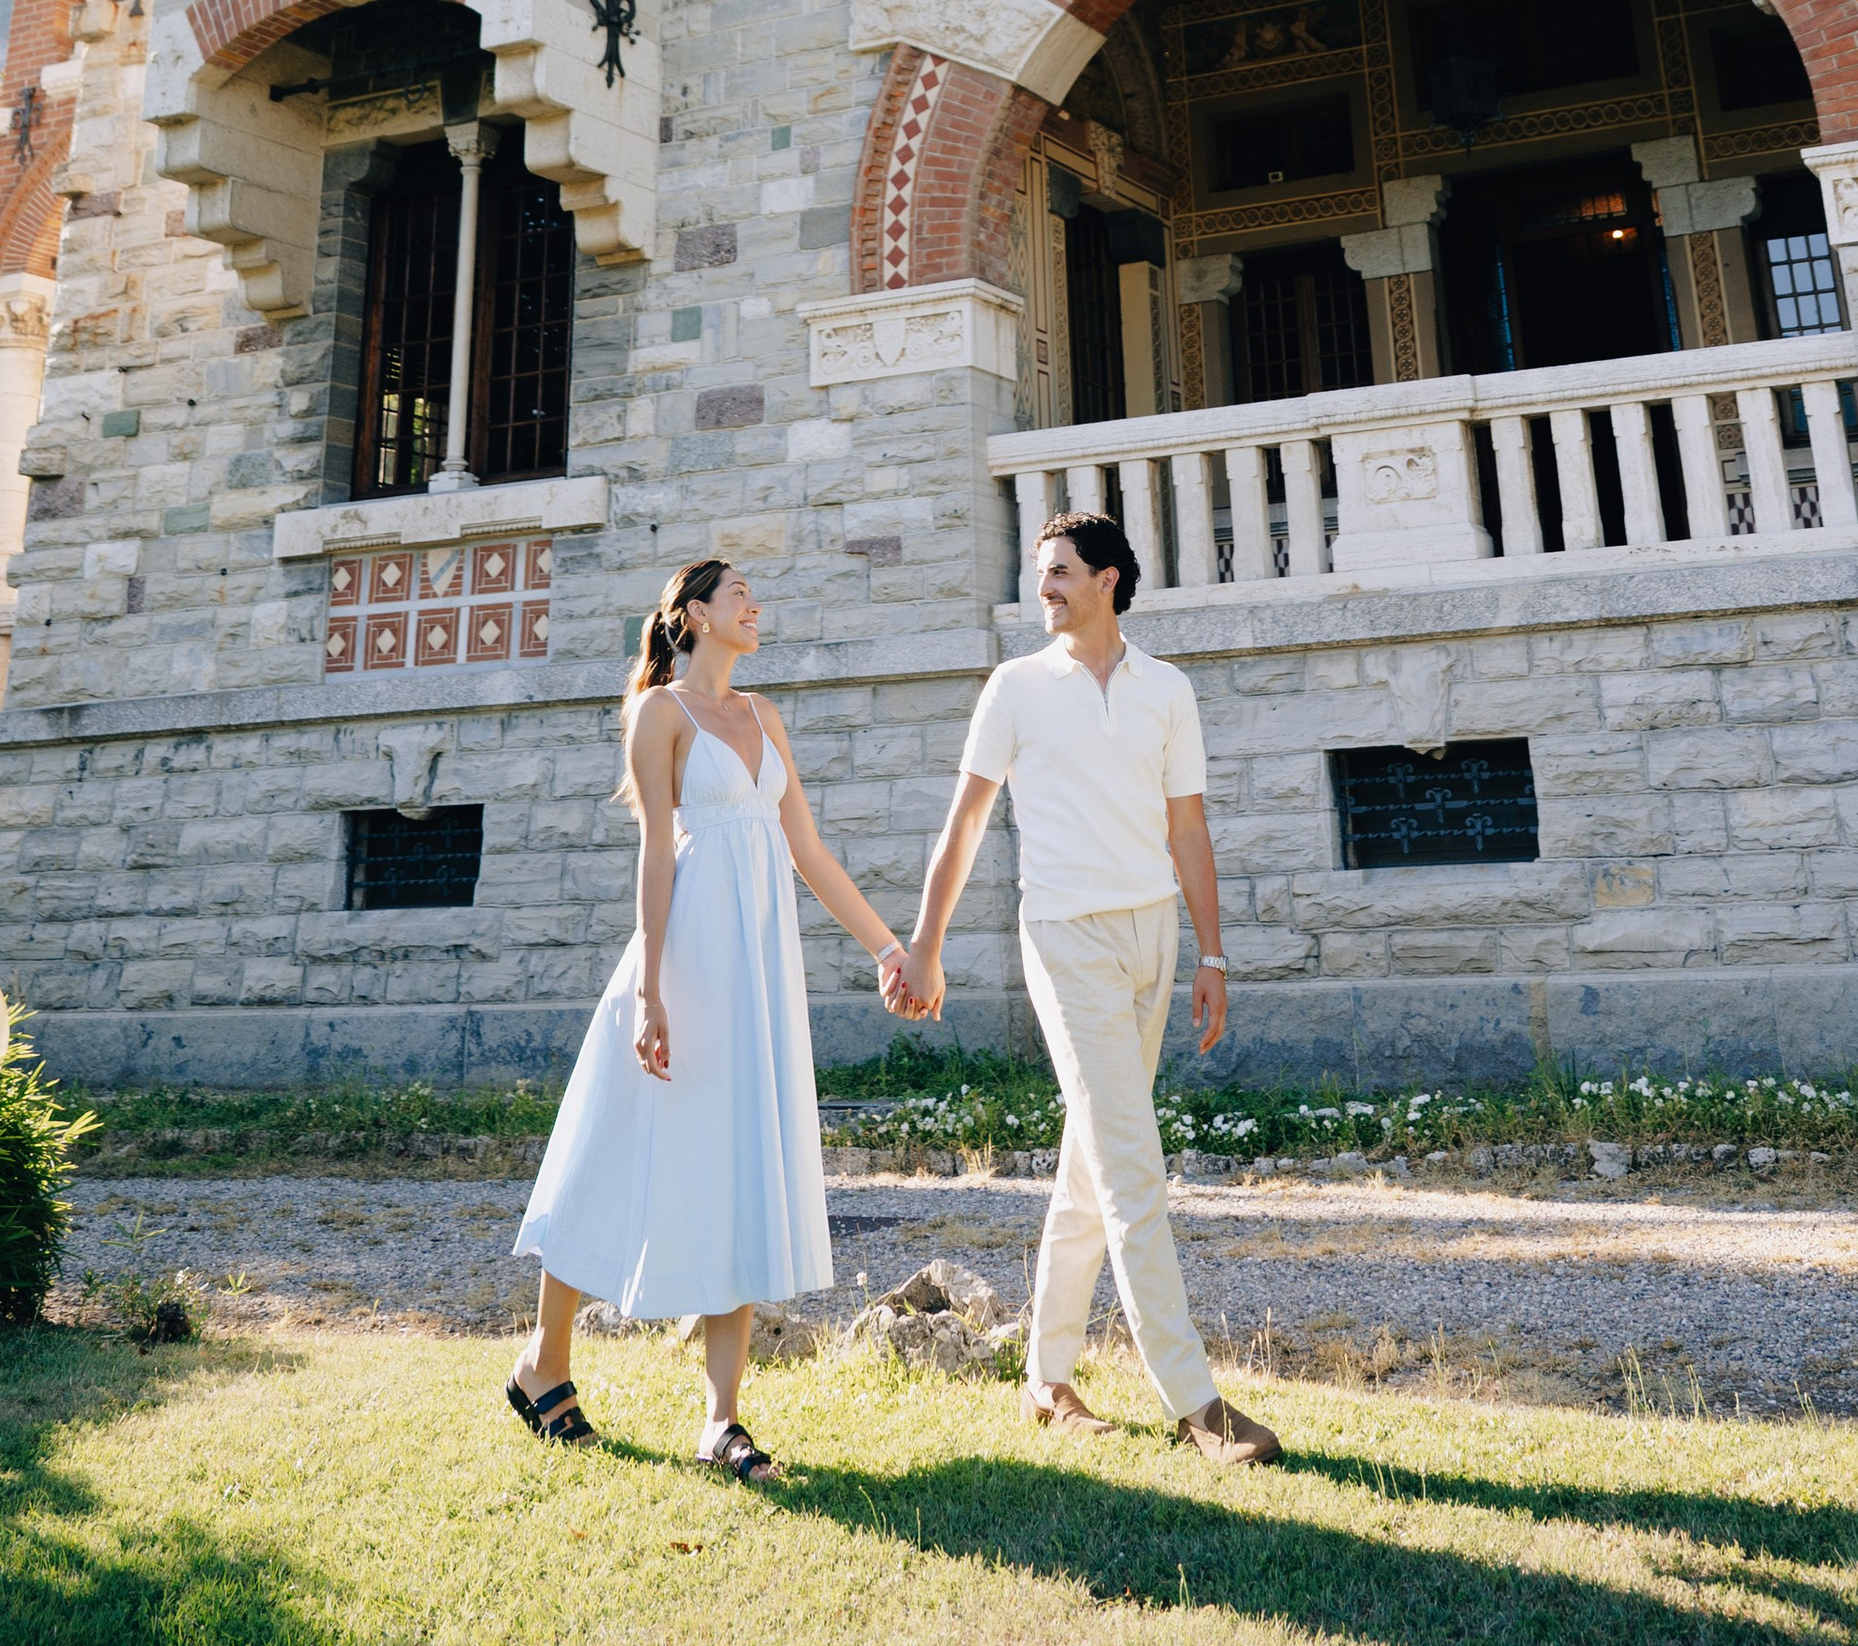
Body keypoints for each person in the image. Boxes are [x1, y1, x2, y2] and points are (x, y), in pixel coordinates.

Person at [509, 553, 913, 1481]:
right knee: (613, 1145)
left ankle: (722, 1420)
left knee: (739, 1163)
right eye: (740, 596)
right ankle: (544, 1362)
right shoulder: (661, 714)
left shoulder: (764, 715)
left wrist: (886, 948)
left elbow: (806, 848)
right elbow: (658, 850)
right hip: (681, 957)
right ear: (693, 615)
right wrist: (650, 986)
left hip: (756, 973)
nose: (755, 607)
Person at [901, 509, 1282, 1467]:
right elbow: (965, 825)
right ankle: (1195, 1401)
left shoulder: (1167, 690)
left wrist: (1213, 954)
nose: (1046, 589)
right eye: (1043, 573)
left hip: (1153, 934)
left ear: (1109, 579)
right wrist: (925, 946)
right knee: (1130, 1159)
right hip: (1063, 935)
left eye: (1062, 572)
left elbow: (1188, 827)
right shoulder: (1015, 687)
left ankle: (1047, 1379)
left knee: (1093, 1161)